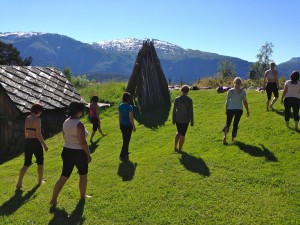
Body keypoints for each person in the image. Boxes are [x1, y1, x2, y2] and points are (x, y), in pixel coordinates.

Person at [50, 102, 91, 205]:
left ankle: (53, 199)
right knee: (83, 175)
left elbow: (64, 136)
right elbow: (83, 142)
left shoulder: (66, 121)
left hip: (67, 151)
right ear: (79, 111)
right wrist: (88, 154)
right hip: (78, 153)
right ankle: (82, 196)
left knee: (64, 176)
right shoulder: (79, 124)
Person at [16, 103, 48, 189]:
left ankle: (19, 183)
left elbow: (25, 131)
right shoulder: (37, 120)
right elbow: (38, 134)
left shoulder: (27, 118)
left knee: (26, 163)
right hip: (36, 143)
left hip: (28, 142)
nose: (41, 113)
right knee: (40, 162)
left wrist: (28, 139)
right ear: (38, 111)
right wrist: (45, 145)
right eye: (41, 111)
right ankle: (40, 181)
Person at [223, 77, 249, 144]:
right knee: (235, 124)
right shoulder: (243, 92)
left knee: (227, 123)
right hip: (239, 110)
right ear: (240, 84)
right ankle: (232, 139)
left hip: (230, 109)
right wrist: (247, 111)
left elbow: (227, 102)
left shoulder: (230, 91)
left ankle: (225, 137)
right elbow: (245, 102)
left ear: (234, 83)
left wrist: (226, 110)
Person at [172, 85, 194, 152]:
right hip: (185, 120)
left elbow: (174, 110)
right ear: (188, 91)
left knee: (178, 132)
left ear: (181, 90)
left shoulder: (177, 99)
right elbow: (191, 111)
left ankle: (175, 146)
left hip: (178, 119)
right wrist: (192, 121)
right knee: (182, 134)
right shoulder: (189, 100)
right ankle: (180, 149)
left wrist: (173, 119)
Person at [118, 92, 136, 160]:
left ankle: (126, 152)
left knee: (125, 140)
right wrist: (133, 126)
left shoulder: (120, 106)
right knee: (126, 140)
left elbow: (119, 117)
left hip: (122, 125)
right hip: (128, 126)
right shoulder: (129, 107)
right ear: (128, 99)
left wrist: (120, 124)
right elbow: (131, 118)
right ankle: (122, 155)